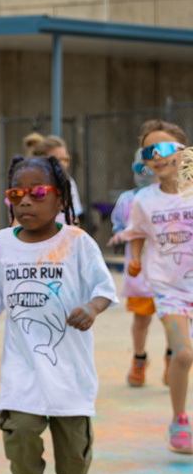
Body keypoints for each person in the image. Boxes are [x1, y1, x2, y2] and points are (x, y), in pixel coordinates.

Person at [0, 154, 117, 474]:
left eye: (38, 192)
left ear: (60, 199)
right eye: (17, 193)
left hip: (70, 371)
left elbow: (105, 288)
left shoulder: (77, 242)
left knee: (74, 453)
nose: (25, 201)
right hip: (22, 368)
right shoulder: (2, 243)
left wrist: (92, 308)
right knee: (19, 434)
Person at [121, 120, 193, 455]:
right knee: (184, 353)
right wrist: (135, 258)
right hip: (170, 288)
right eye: (149, 152)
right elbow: (136, 233)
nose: (157, 157)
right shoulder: (143, 201)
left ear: (183, 151)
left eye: (164, 148)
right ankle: (179, 419)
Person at [106, 149, 170, 387]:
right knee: (141, 319)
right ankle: (139, 359)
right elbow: (120, 226)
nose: (144, 173)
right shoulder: (127, 199)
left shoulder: (173, 198)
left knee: (172, 319)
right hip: (140, 273)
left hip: (169, 273)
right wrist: (121, 236)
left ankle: (171, 360)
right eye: (138, 168)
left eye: (150, 168)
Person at [24, 132, 84, 226]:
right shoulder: (29, 184)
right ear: (41, 160)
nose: (63, 163)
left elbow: (74, 217)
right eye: (57, 159)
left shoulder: (69, 183)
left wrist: (75, 236)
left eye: (66, 158)